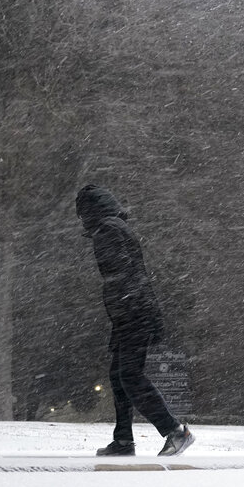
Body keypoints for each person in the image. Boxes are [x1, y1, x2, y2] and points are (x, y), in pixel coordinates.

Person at [75, 184, 194, 457]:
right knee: (118, 377)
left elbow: (121, 274)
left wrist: (126, 310)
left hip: (132, 313)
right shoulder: (116, 227)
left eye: (82, 215)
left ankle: (175, 432)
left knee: (129, 375)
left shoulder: (108, 231)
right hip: (132, 312)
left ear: (90, 211)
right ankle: (123, 441)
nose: (82, 221)